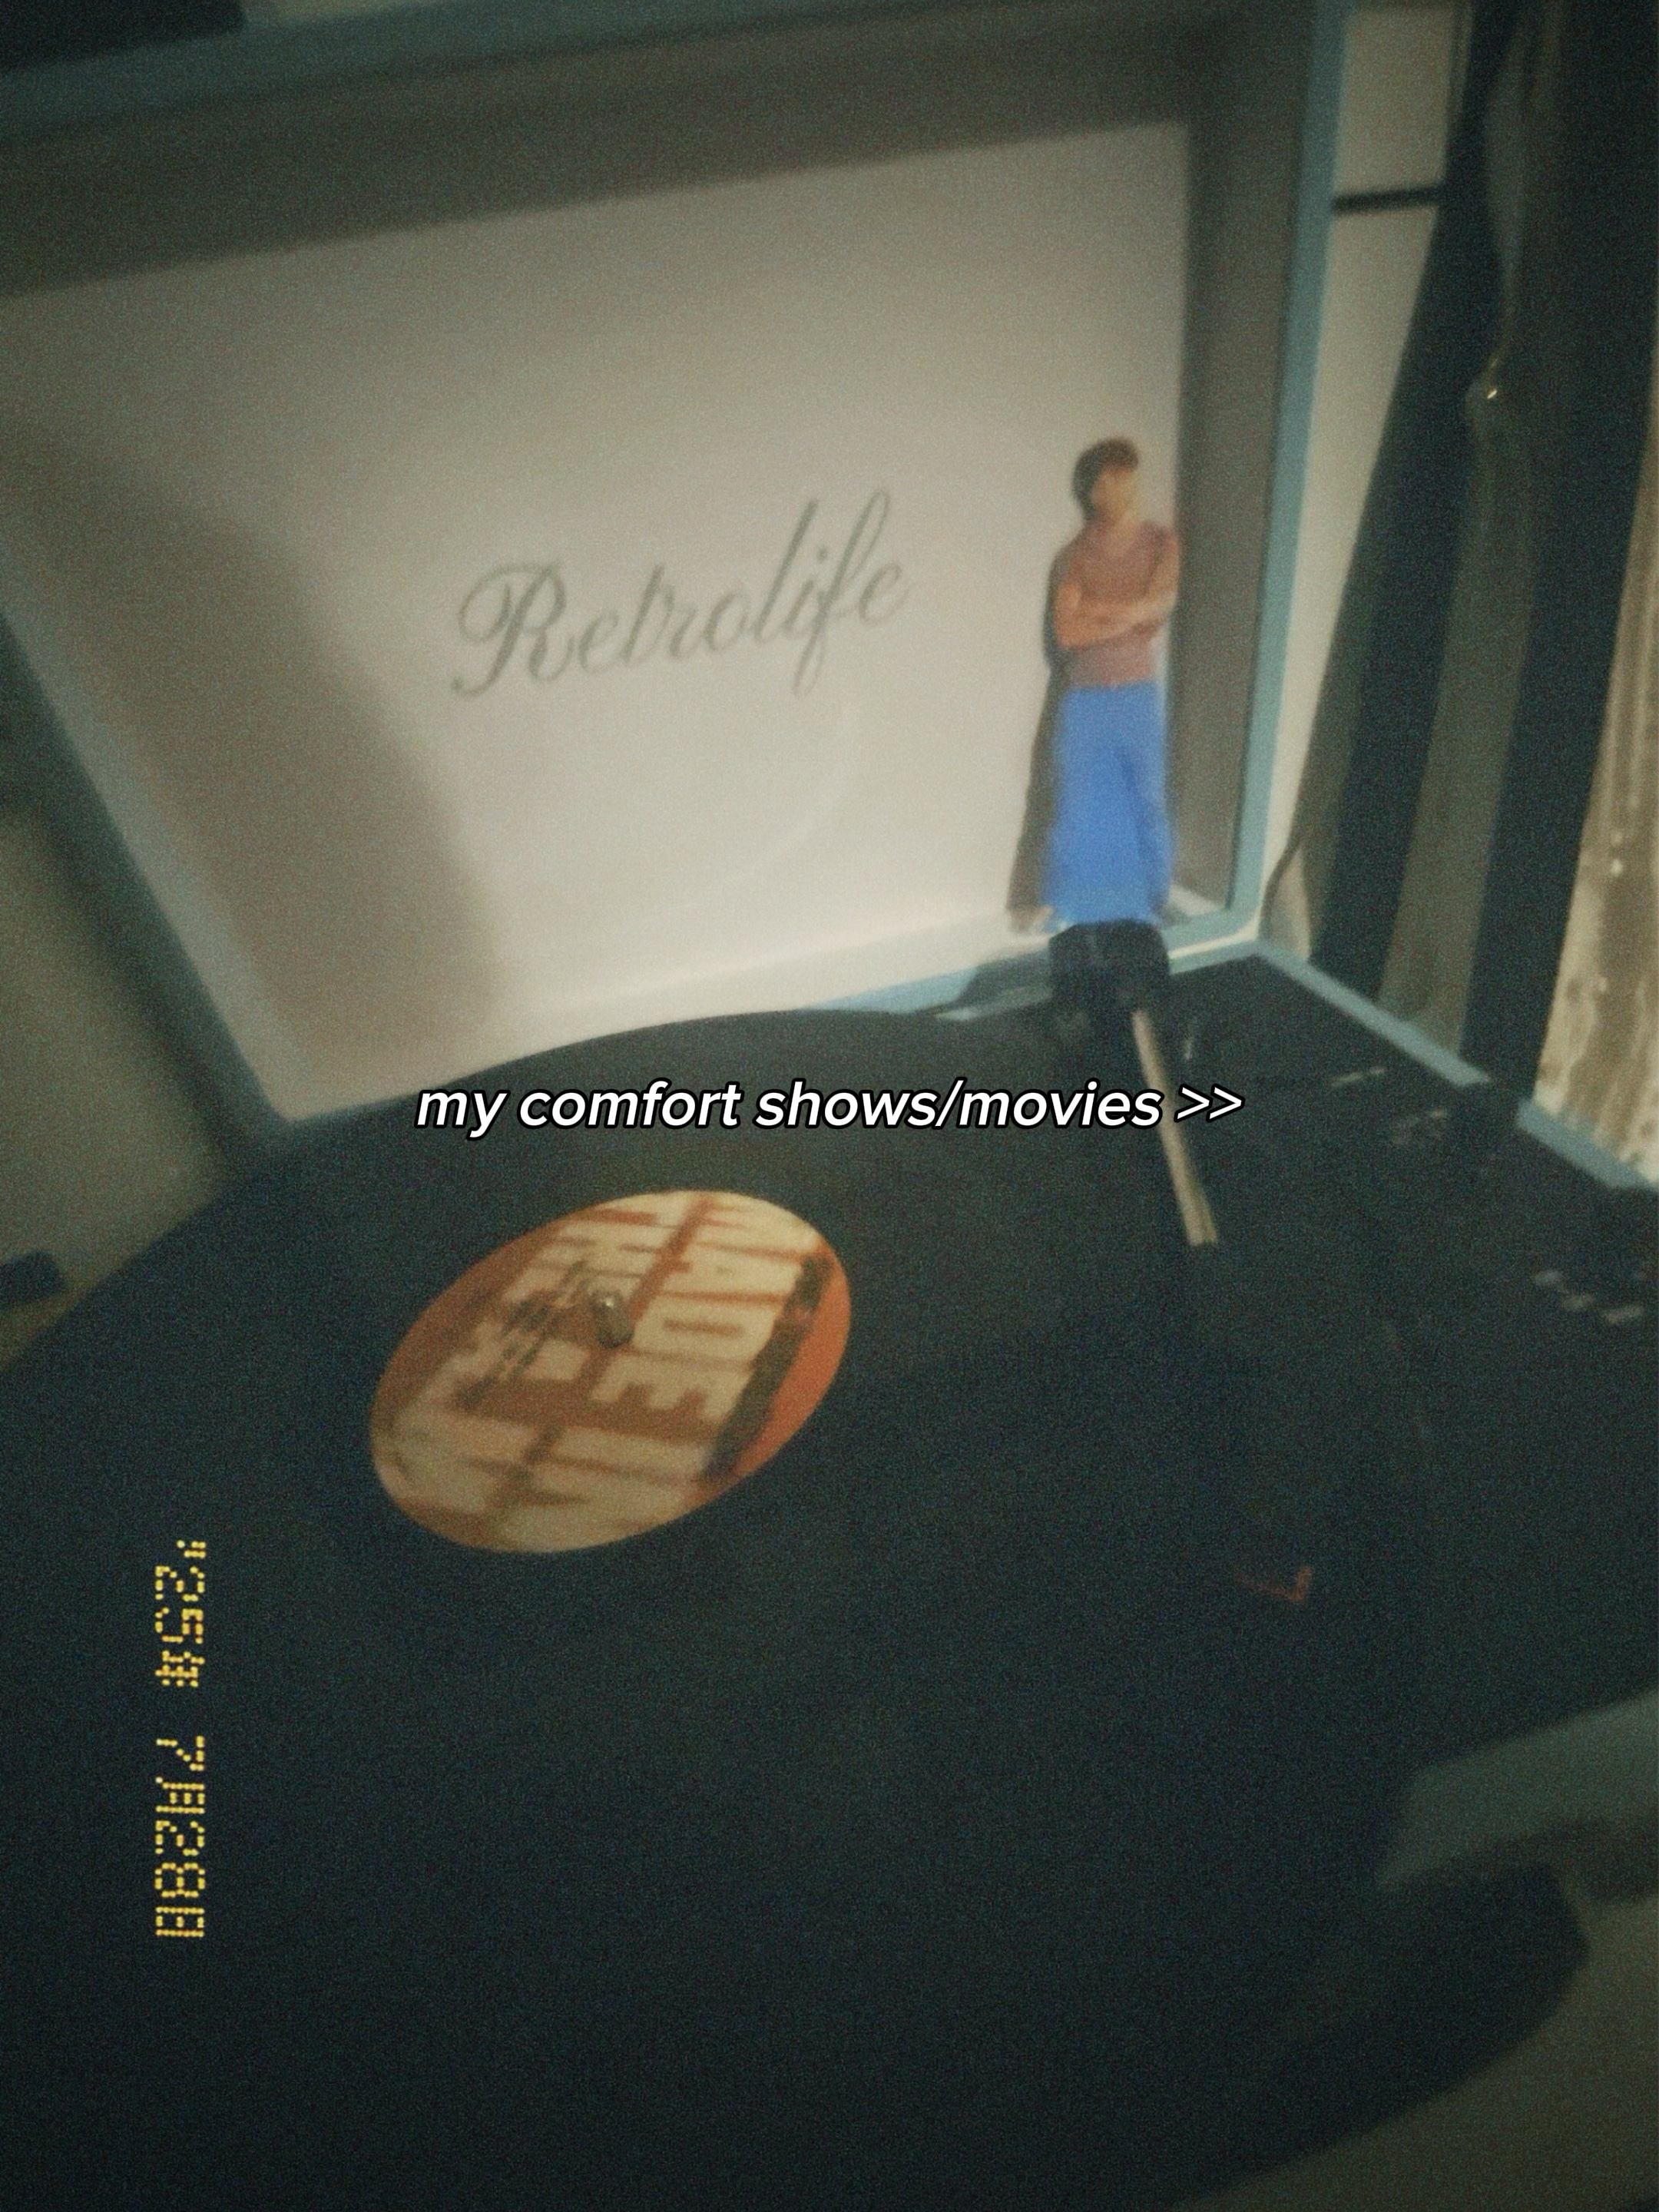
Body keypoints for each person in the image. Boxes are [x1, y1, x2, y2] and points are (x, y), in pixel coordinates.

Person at [1038, 439, 1181, 927]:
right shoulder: (1074, 555)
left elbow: (1158, 608)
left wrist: (1096, 610)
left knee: (1148, 799)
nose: (1117, 490)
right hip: (1085, 698)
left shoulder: (1161, 543)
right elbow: (1067, 633)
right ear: (1091, 490)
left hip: (1137, 695)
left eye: (1124, 478)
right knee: (1073, 802)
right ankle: (1063, 905)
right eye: (1105, 481)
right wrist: (1130, 617)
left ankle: (1157, 900)